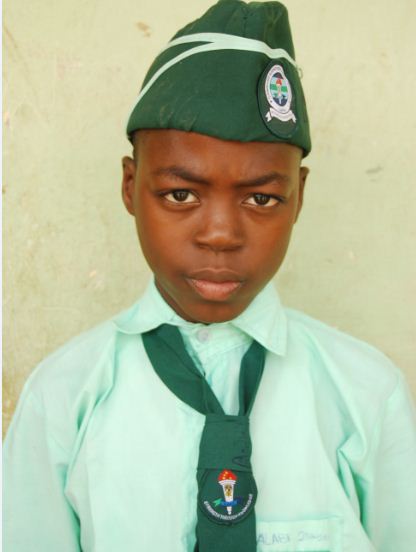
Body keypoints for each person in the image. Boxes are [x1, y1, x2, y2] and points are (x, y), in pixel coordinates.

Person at [3, 1, 416, 551]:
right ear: (130, 186)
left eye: (262, 198)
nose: (220, 235)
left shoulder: (364, 395)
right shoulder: (63, 399)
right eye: (180, 194)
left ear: (299, 197)